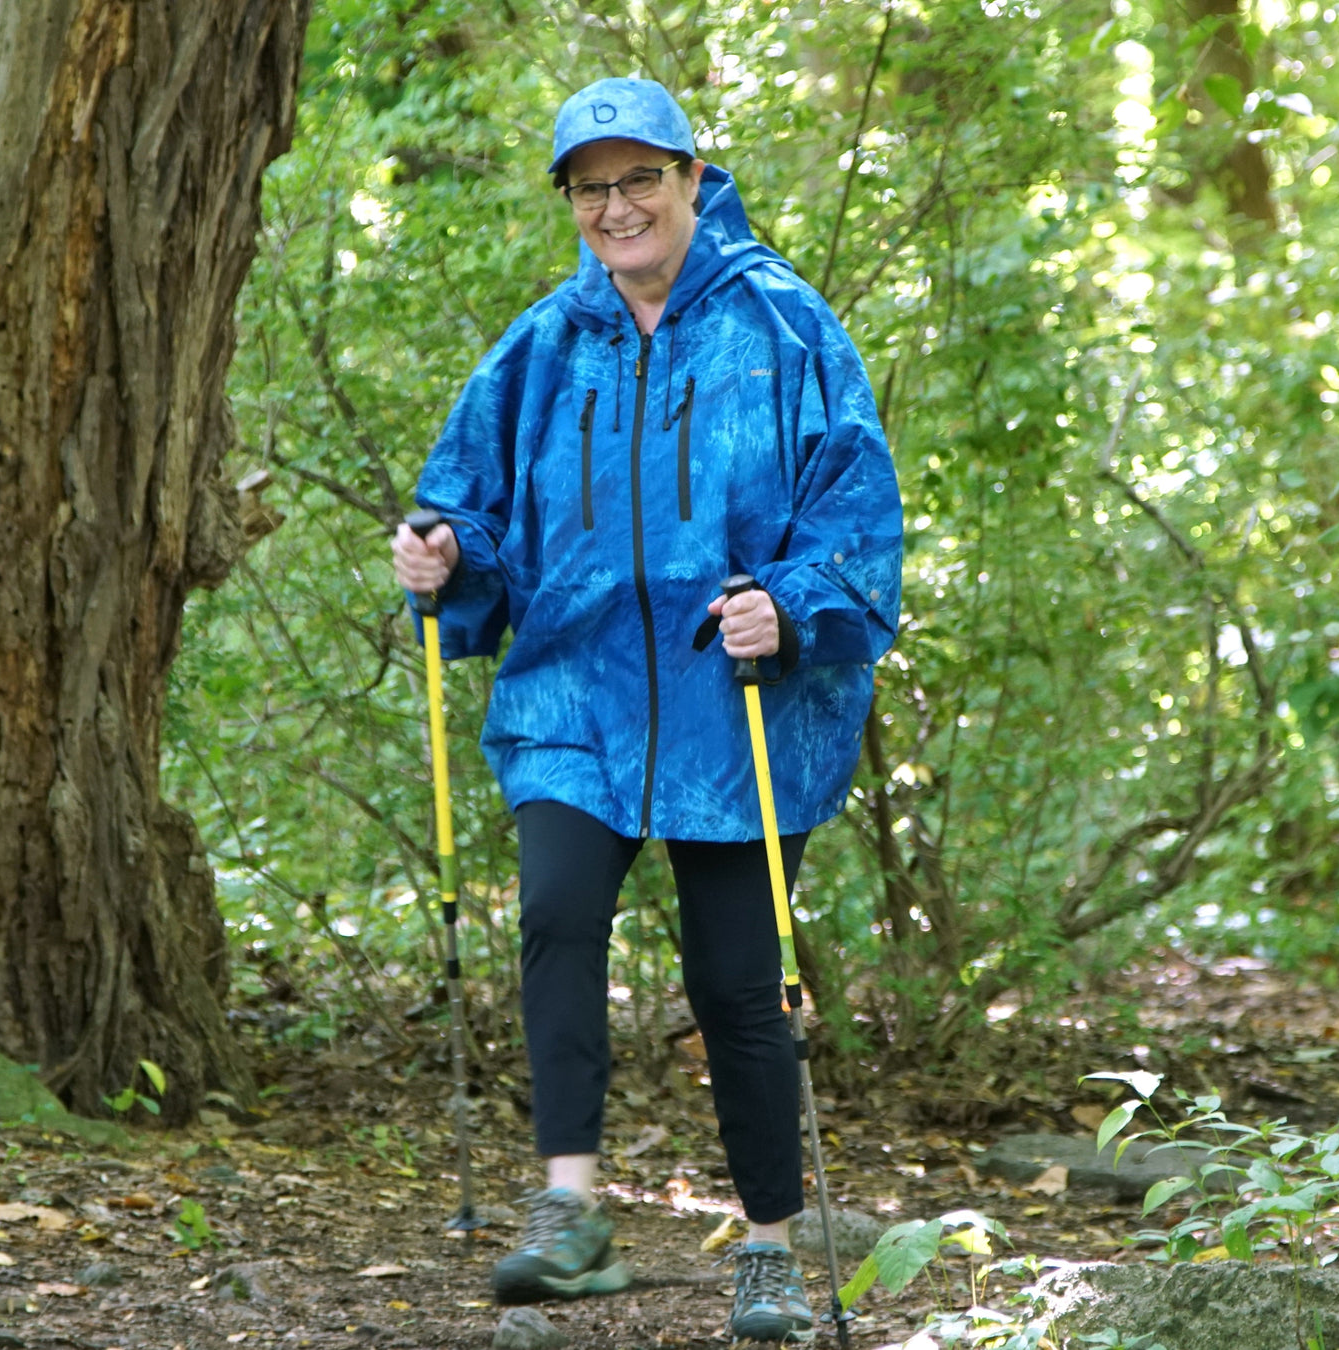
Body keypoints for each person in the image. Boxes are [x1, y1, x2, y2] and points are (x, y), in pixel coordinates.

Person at [392, 76, 902, 1344]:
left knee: (737, 980)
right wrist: (444, 554)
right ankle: (569, 1217)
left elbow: (858, 520)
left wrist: (787, 608)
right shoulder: (543, 342)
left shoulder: (784, 325)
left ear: (689, 176)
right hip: (574, 686)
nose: (615, 208)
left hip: (733, 705)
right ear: (568, 201)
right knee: (557, 913)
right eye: (589, 187)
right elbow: (468, 509)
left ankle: (771, 1251)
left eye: (637, 180)